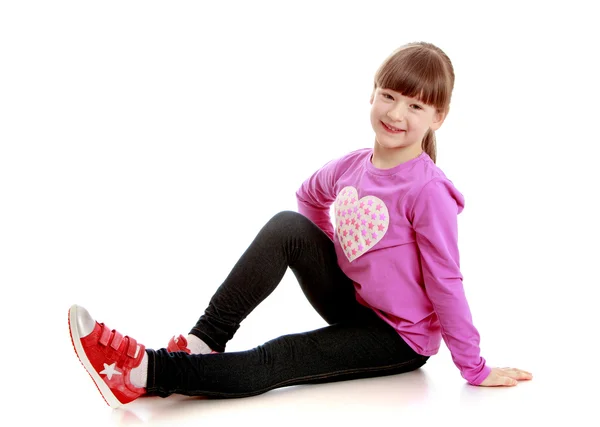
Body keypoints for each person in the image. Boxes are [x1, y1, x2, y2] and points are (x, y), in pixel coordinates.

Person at [68, 41, 533, 409]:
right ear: (371, 94)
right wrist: (335, 260)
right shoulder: (353, 166)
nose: (395, 114)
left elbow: (445, 279)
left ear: (438, 117)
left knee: (283, 354)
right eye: (389, 96)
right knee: (288, 225)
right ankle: (201, 343)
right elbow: (309, 197)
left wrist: (473, 367)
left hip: (399, 338)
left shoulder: (429, 191)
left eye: (415, 106)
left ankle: (140, 372)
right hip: (357, 305)